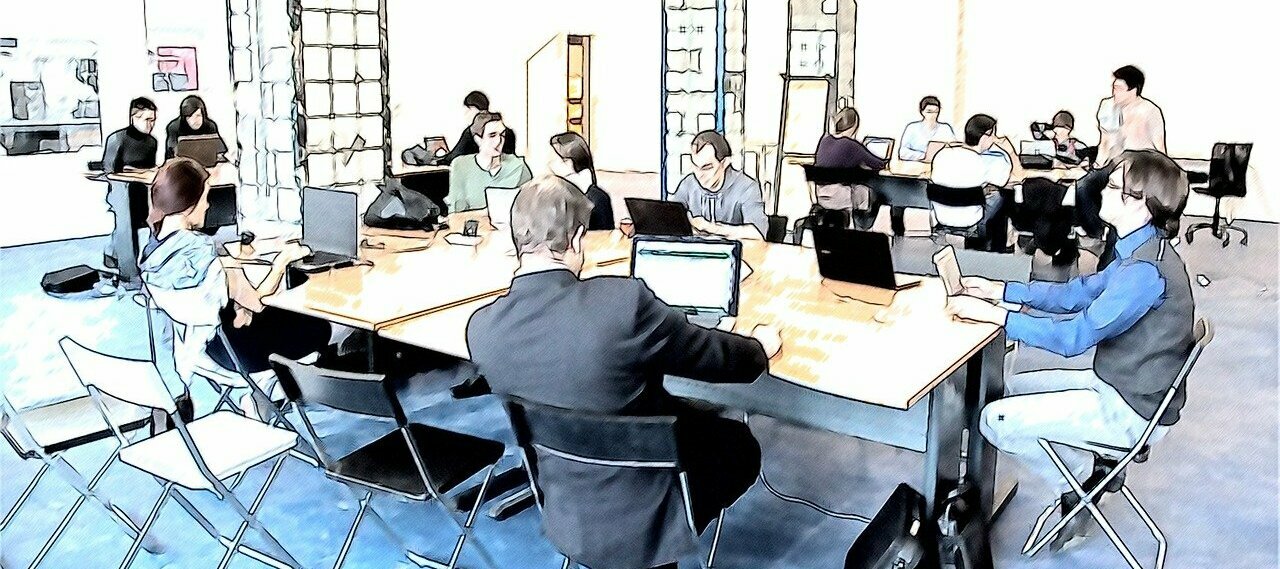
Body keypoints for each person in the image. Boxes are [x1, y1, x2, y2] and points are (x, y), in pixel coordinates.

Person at [467, 175, 781, 569]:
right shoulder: (622, 304)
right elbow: (715, 359)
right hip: (644, 509)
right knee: (739, 445)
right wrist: (759, 348)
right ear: (577, 238)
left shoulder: (482, 330)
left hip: (566, 505)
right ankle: (671, 530)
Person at [947, 150, 1193, 552]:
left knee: (994, 418)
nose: (1103, 192)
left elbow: (1074, 338)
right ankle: (1089, 472)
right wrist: (1002, 291)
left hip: (1130, 408)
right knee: (1007, 389)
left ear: (1140, 204)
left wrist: (997, 317)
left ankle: (1080, 481)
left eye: (1114, 187)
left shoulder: (1143, 272)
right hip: (1121, 383)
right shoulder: (1140, 250)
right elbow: (1079, 293)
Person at [138, 158, 332, 419]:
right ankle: (269, 393)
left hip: (201, 350)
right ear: (187, 205)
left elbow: (216, 294)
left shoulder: (153, 253)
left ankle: (264, 394)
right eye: (205, 198)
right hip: (239, 355)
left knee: (261, 313)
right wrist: (282, 260)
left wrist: (236, 293)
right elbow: (258, 302)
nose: (208, 205)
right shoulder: (201, 252)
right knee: (320, 326)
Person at [1077, 66, 1169, 246]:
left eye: (1119, 89)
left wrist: (1162, 177)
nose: (1114, 92)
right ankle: (1097, 233)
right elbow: (1105, 141)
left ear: (1133, 90)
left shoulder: (1150, 111)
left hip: (1140, 168)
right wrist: (1097, 165)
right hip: (1114, 163)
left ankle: (1117, 242)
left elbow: (1160, 148)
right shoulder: (1107, 107)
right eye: (1113, 88)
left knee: (1123, 203)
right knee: (1083, 187)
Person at [928, 114, 1023, 251]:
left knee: (990, 195)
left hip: (942, 218)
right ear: (984, 137)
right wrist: (1011, 152)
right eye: (993, 135)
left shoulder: (941, 155)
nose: (994, 139)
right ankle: (997, 249)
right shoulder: (983, 164)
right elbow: (1019, 177)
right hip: (969, 222)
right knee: (1003, 197)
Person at [100, 97, 159, 291]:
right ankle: (129, 276)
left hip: (143, 189)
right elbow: (109, 171)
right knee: (126, 225)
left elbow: (149, 168)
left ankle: (113, 254)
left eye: (153, 120)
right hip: (121, 189)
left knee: (156, 217)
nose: (151, 125)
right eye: (147, 120)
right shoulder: (117, 139)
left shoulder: (152, 142)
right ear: (134, 118)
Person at [669, 131, 769, 240]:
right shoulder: (688, 184)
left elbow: (758, 233)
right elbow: (670, 223)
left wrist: (713, 229)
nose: (699, 174)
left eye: (707, 167)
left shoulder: (747, 187)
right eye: (695, 166)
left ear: (725, 162)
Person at [814, 107, 888, 230]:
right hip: (838, 196)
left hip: (821, 194)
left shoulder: (825, 140)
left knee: (858, 188)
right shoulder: (851, 144)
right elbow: (878, 164)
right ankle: (863, 227)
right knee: (873, 192)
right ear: (854, 126)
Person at [446, 112, 533, 212]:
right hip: (472, 222)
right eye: (492, 135)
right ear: (478, 139)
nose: (499, 141)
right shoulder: (461, 165)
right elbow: (456, 212)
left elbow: (530, 210)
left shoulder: (518, 166)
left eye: (502, 135)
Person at [549, 131, 614, 230]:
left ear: (569, 161)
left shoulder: (597, 199)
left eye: (556, 158)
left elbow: (604, 236)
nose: (549, 164)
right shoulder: (552, 192)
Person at [435, 91, 517, 165]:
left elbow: (455, 157)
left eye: (469, 109)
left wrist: (437, 161)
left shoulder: (472, 131)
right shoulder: (508, 132)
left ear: (475, 108)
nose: (466, 113)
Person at [164, 95, 228, 160]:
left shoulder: (210, 126)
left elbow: (220, 151)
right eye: (190, 117)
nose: (194, 120)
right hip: (182, 163)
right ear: (184, 117)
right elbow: (171, 153)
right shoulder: (174, 127)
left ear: (203, 115)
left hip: (206, 162)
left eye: (198, 116)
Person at [898, 95, 957, 161]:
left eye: (936, 111)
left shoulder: (945, 128)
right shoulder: (912, 128)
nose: (933, 115)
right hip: (916, 165)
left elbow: (954, 149)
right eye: (929, 112)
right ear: (922, 112)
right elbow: (902, 153)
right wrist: (925, 156)